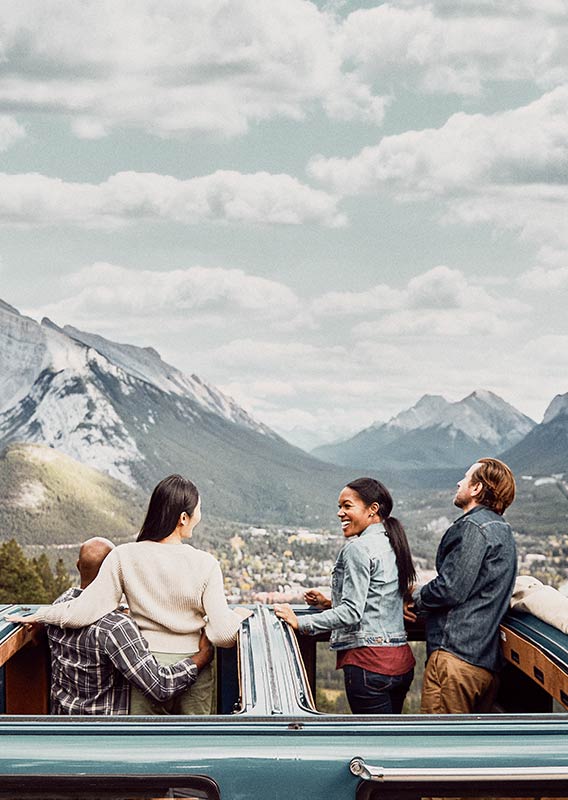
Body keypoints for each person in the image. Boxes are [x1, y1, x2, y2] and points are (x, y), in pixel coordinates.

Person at [7, 475, 251, 715]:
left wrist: (43, 614)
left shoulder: (124, 556)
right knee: (193, 745)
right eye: (199, 510)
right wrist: (236, 616)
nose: (200, 516)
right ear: (183, 518)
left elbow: (87, 609)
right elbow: (224, 635)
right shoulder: (205, 564)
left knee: (144, 748)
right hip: (195, 662)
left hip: (145, 666)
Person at [274, 477, 416, 714]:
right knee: (390, 744)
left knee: (373, 745)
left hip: (368, 664)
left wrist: (301, 622)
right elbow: (378, 598)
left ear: (373, 510)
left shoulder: (357, 548)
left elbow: (352, 612)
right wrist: (329, 603)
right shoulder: (392, 542)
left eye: (347, 506)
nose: (340, 513)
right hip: (401, 662)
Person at [47, 536, 213, 715]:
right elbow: (160, 686)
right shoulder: (115, 628)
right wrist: (202, 657)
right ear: (116, 572)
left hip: (63, 723)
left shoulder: (60, 607)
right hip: (106, 732)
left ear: (79, 565)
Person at [407, 458, 517, 715]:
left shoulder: (472, 528)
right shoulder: (504, 530)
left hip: (455, 659)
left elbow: (451, 589)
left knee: (440, 747)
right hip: (485, 661)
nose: (459, 483)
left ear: (477, 488)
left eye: (465, 478)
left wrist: (415, 596)